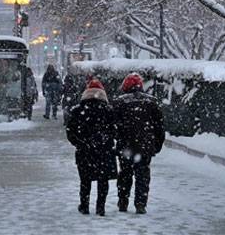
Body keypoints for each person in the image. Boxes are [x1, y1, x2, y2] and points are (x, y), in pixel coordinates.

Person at [113, 73, 165, 214]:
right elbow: (159, 126)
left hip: (126, 146)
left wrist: (118, 138)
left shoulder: (119, 102)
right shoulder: (151, 102)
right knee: (142, 175)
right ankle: (140, 203)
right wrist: (157, 144)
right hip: (145, 146)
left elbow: (114, 125)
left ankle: (123, 201)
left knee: (125, 174)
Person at [65, 79, 117, 216]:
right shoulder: (109, 110)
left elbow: (70, 132)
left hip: (85, 152)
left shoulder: (77, 110)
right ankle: (101, 207)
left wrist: (80, 143)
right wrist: (105, 141)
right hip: (104, 152)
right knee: (103, 180)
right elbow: (115, 130)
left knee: (85, 180)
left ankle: (84, 205)